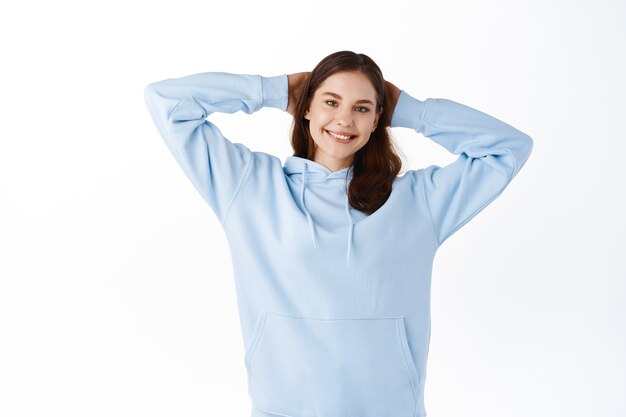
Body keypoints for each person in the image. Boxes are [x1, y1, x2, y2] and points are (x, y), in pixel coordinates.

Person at [143, 50, 533, 417]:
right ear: (307, 106)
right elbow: (166, 101)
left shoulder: (419, 201)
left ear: (379, 118)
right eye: (331, 102)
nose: (344, 119)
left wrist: (413, 112)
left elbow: (509, 148)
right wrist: (274, 91)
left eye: (361, 108)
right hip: (283, 408)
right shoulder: (248, 186)